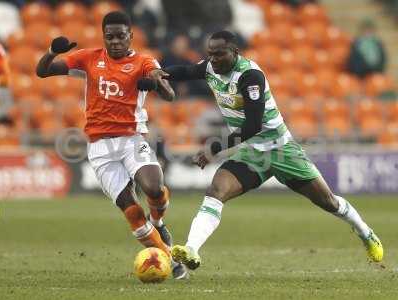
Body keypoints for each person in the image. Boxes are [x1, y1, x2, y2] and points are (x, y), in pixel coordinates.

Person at [152, 30, 383, 270]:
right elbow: (187, 71)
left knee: (329, 203)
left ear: (234, 53)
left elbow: (253, 125)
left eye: (219, 54)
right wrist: (155, 76)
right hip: (251, 153)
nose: (213, 60)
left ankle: (365, 232)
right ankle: (191, 250)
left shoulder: (250, 75)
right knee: (216, 190)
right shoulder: (211, 67)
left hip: (281, 150)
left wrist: (215, 148)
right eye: (210, 54)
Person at [36, 11, 187, 279]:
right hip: (99, 148)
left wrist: (154, 83)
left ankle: (159, 222)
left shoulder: (143, 60)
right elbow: (43, 71)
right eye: (110, 36)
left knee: (154, 188)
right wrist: (51, 51)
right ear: (103, 37)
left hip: (132, 139)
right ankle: (170, 259)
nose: (116, 41)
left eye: (121, 36)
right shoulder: (89, 58)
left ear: (131, 36)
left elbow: (169, 94)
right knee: (133, 216)